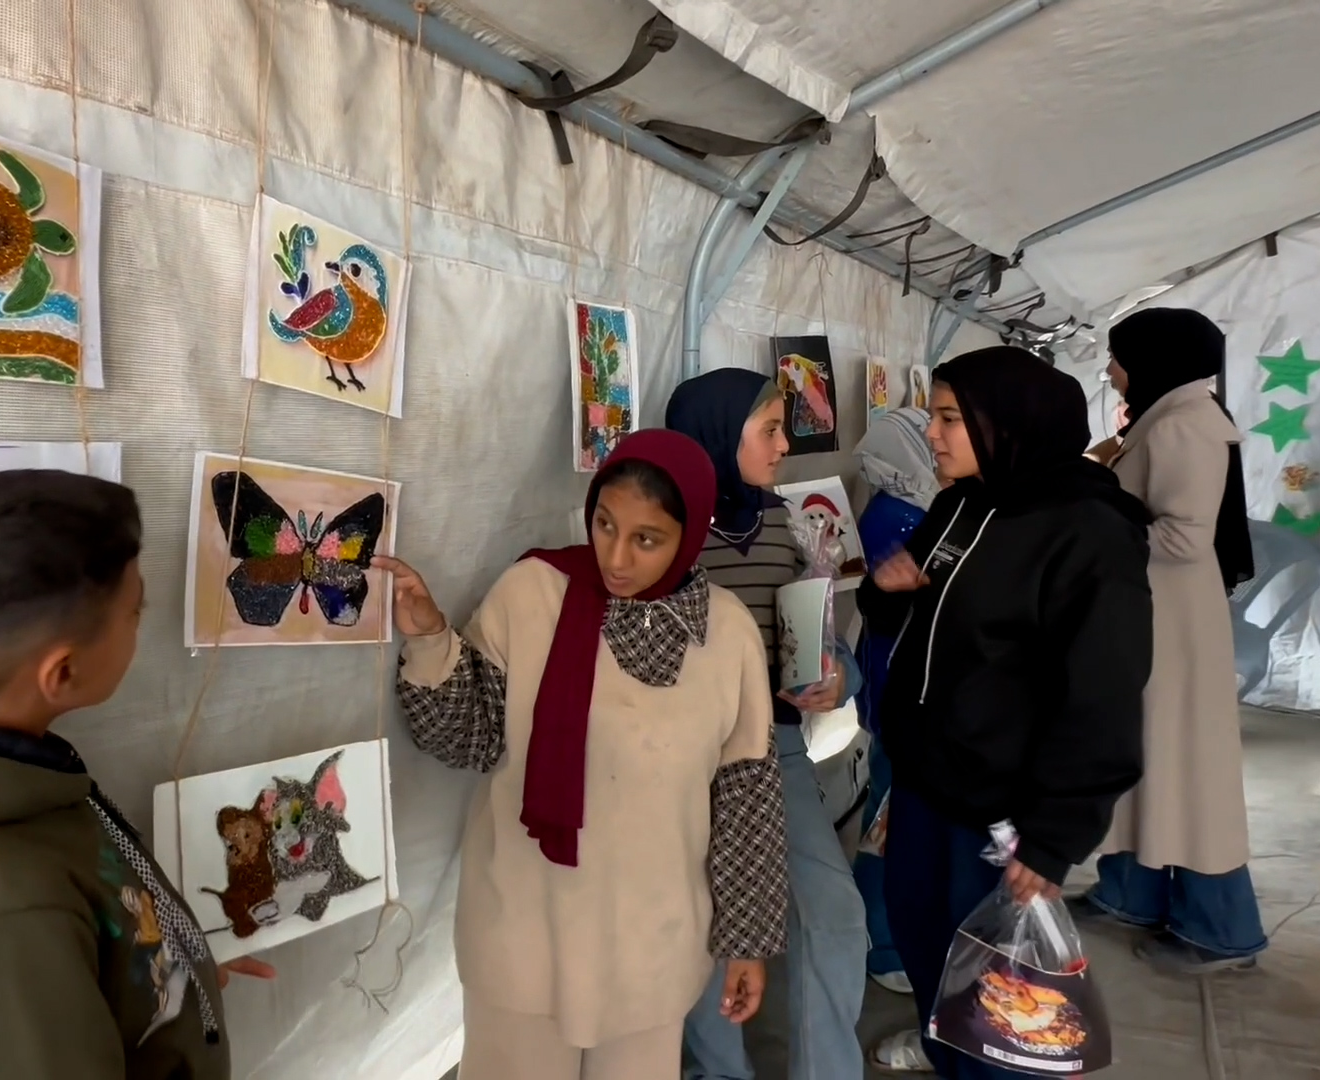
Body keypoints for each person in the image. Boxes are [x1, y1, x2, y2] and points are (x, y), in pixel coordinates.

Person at [0, 470, 272, 1080]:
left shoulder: (7, 778)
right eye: (134, 611)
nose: (141, 622)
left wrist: (178, 986)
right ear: (62, 673)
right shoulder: (1, 920)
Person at [382, 429, 788, 1080]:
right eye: (604, 524)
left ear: (687, 538)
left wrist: (748, 941)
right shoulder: (532, 594)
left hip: (650, 949)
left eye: (646, 539)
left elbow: (747, 803)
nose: (616, 558)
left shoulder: (729, 633)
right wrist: (431, 640)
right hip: (523, 935)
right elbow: (468, 737)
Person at [859, 347, 1153, 1075]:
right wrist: (883, 592)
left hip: (1001, 809)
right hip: (926, 782)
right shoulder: (961, 503)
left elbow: (1104, 693)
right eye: (933, 417)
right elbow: (908, 606)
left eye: (949, 419)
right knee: (924, 938)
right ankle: (943, 1050)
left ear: (1010, 424)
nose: (932, 434)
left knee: (1000, 988)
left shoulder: (1087, 529)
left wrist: (1055, 835)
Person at [664, 369, 867, 1080]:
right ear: (718, 434)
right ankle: (719, 1071)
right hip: (683, 758)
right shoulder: (666, 530)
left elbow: (822, 640)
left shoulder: (792, 524)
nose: (784, 446)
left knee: (833, 912)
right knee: (703, 920)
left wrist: (837, 678)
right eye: (770, 430)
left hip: (773, 751)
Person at [1085, 307, 1268, 974]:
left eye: (1117, 356)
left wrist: (1091, 516)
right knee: (1146, 757)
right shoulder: (1167, 417)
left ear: (1154, 358)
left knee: (1188, 770)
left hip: (1174, 624)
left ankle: (1222, 929)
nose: (1111, 370)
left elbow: (1184, 539)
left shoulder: (1185, 424)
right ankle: (1131, 893)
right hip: (1153, 616)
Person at [851, 406, 941, 996]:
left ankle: (889, 934)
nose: (937, 440)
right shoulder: (900, 514)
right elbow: (897, 607)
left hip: (907, 682)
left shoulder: (925, 506)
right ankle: (882, 942)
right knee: (890, 815)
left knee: (896, 810)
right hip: (901, 683)